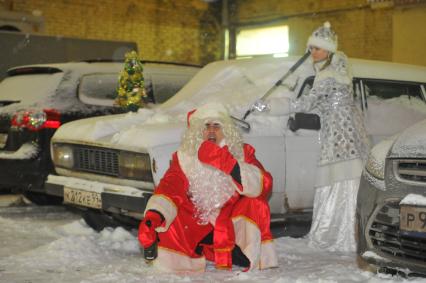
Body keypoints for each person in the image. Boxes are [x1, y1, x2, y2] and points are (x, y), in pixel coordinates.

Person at [253, 22, 370, 252]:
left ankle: (340, 234)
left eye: (317, 48)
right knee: (345, 182)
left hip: (339, 137)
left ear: (328, 50)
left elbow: (305, 103)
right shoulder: (340, 71)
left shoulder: (327, 76)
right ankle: (349, 232)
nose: (312, 53)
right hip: (348, 136)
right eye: (311, 48)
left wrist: (267, 107)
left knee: (339, 181)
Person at [138, 102, 278, 272]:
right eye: (206, 126)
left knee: (257, 204)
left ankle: (248, 253)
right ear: (198, 132)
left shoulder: (242, 153)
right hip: (200, 227)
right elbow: (170, 185)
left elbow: (265, 185)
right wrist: (155, 215)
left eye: (217, 125)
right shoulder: (185, 158)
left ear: (226, 130)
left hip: (232, 229)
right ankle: (188, 256)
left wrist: (229, 165)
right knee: (172, 211)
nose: (211, 130)